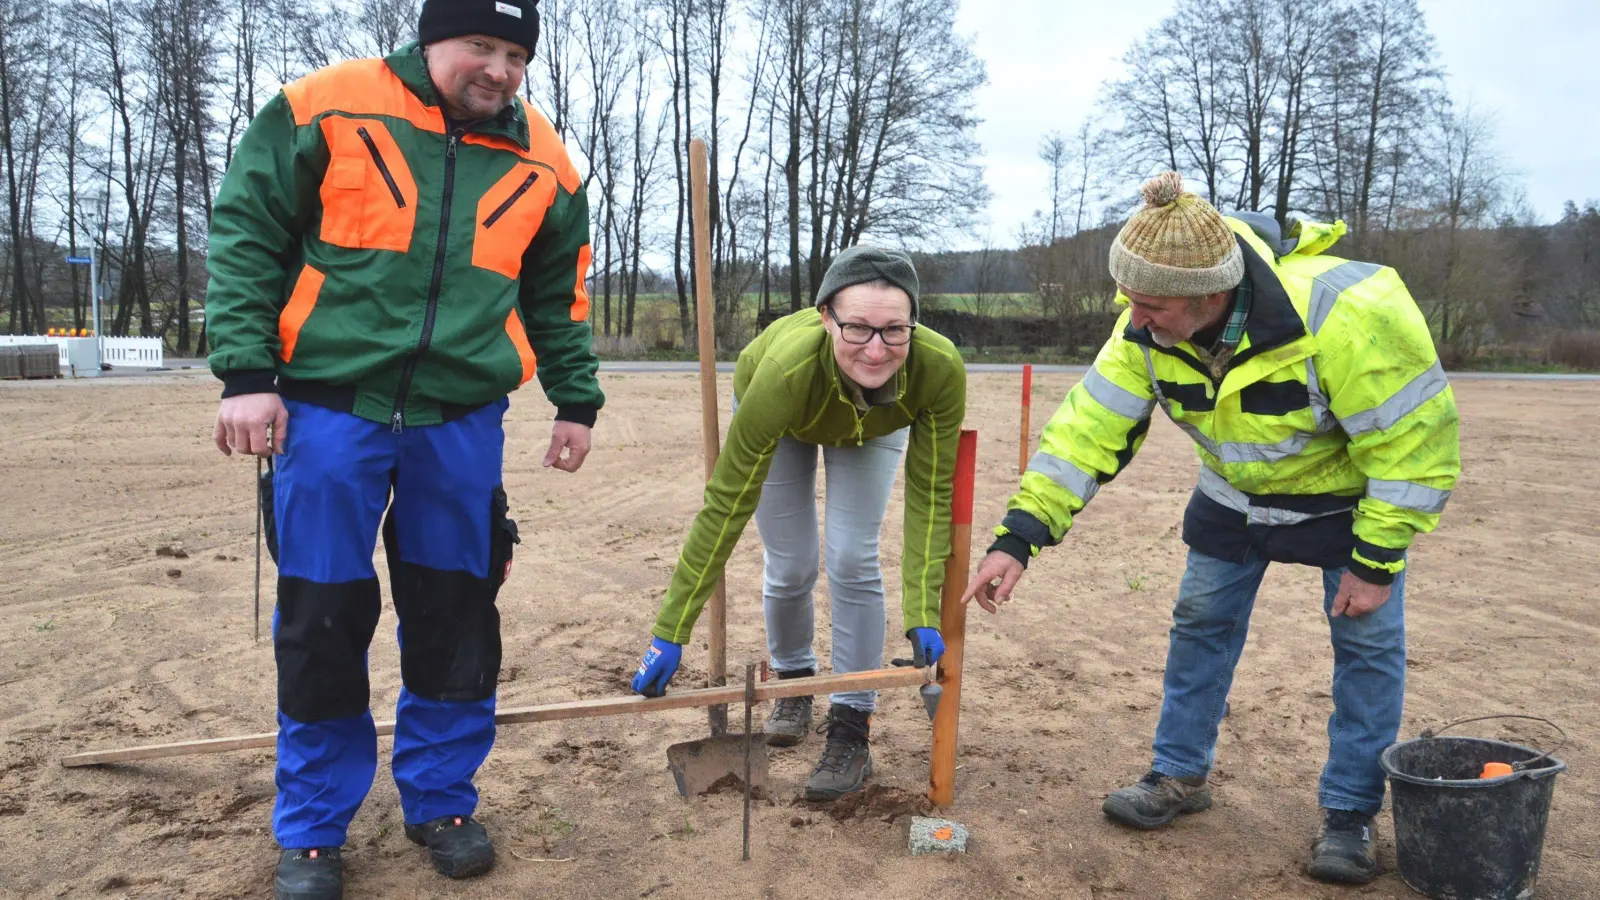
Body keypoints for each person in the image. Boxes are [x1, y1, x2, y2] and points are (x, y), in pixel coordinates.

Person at [204, 1, 603, 896]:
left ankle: (442, 799)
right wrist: (245, 374)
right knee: (322, 617)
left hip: (460, 418)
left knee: (458, 612)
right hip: (327, 410)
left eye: (513, 53)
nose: (497, 69)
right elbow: (246, 234)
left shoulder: (546, 161)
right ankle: (312, 829)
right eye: (479, 46)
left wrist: (575, 398)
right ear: (432, 41)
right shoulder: (324, 107)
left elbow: (561, 295)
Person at [961, 172, 1460, 885]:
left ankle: (1350, 813)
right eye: (1131, 301)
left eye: (1152, 305)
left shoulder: (1345, 313)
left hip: (1346, 506)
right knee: (1199, 625)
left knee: (1367, 651)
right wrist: (1018, 540)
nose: (1136, 320)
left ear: (1210, 295)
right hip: (1233, 498)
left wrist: (1376, 562)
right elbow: (1087, 432)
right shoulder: (1144, 321)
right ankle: (1178, 777)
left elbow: (1413, 444)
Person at [628, 246, 966, 800]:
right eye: (857, 328)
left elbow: (931, 497)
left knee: (853, 556)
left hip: (876, 425)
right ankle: (793, 682)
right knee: (791, 564)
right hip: (788, 415)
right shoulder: (784, 371)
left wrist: (923, 610)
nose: (876, 349)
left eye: (894, 330)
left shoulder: (938, 369)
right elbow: (726, 504)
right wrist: (671, 629)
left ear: (914, 325)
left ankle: (852, 724)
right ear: (825, 318)